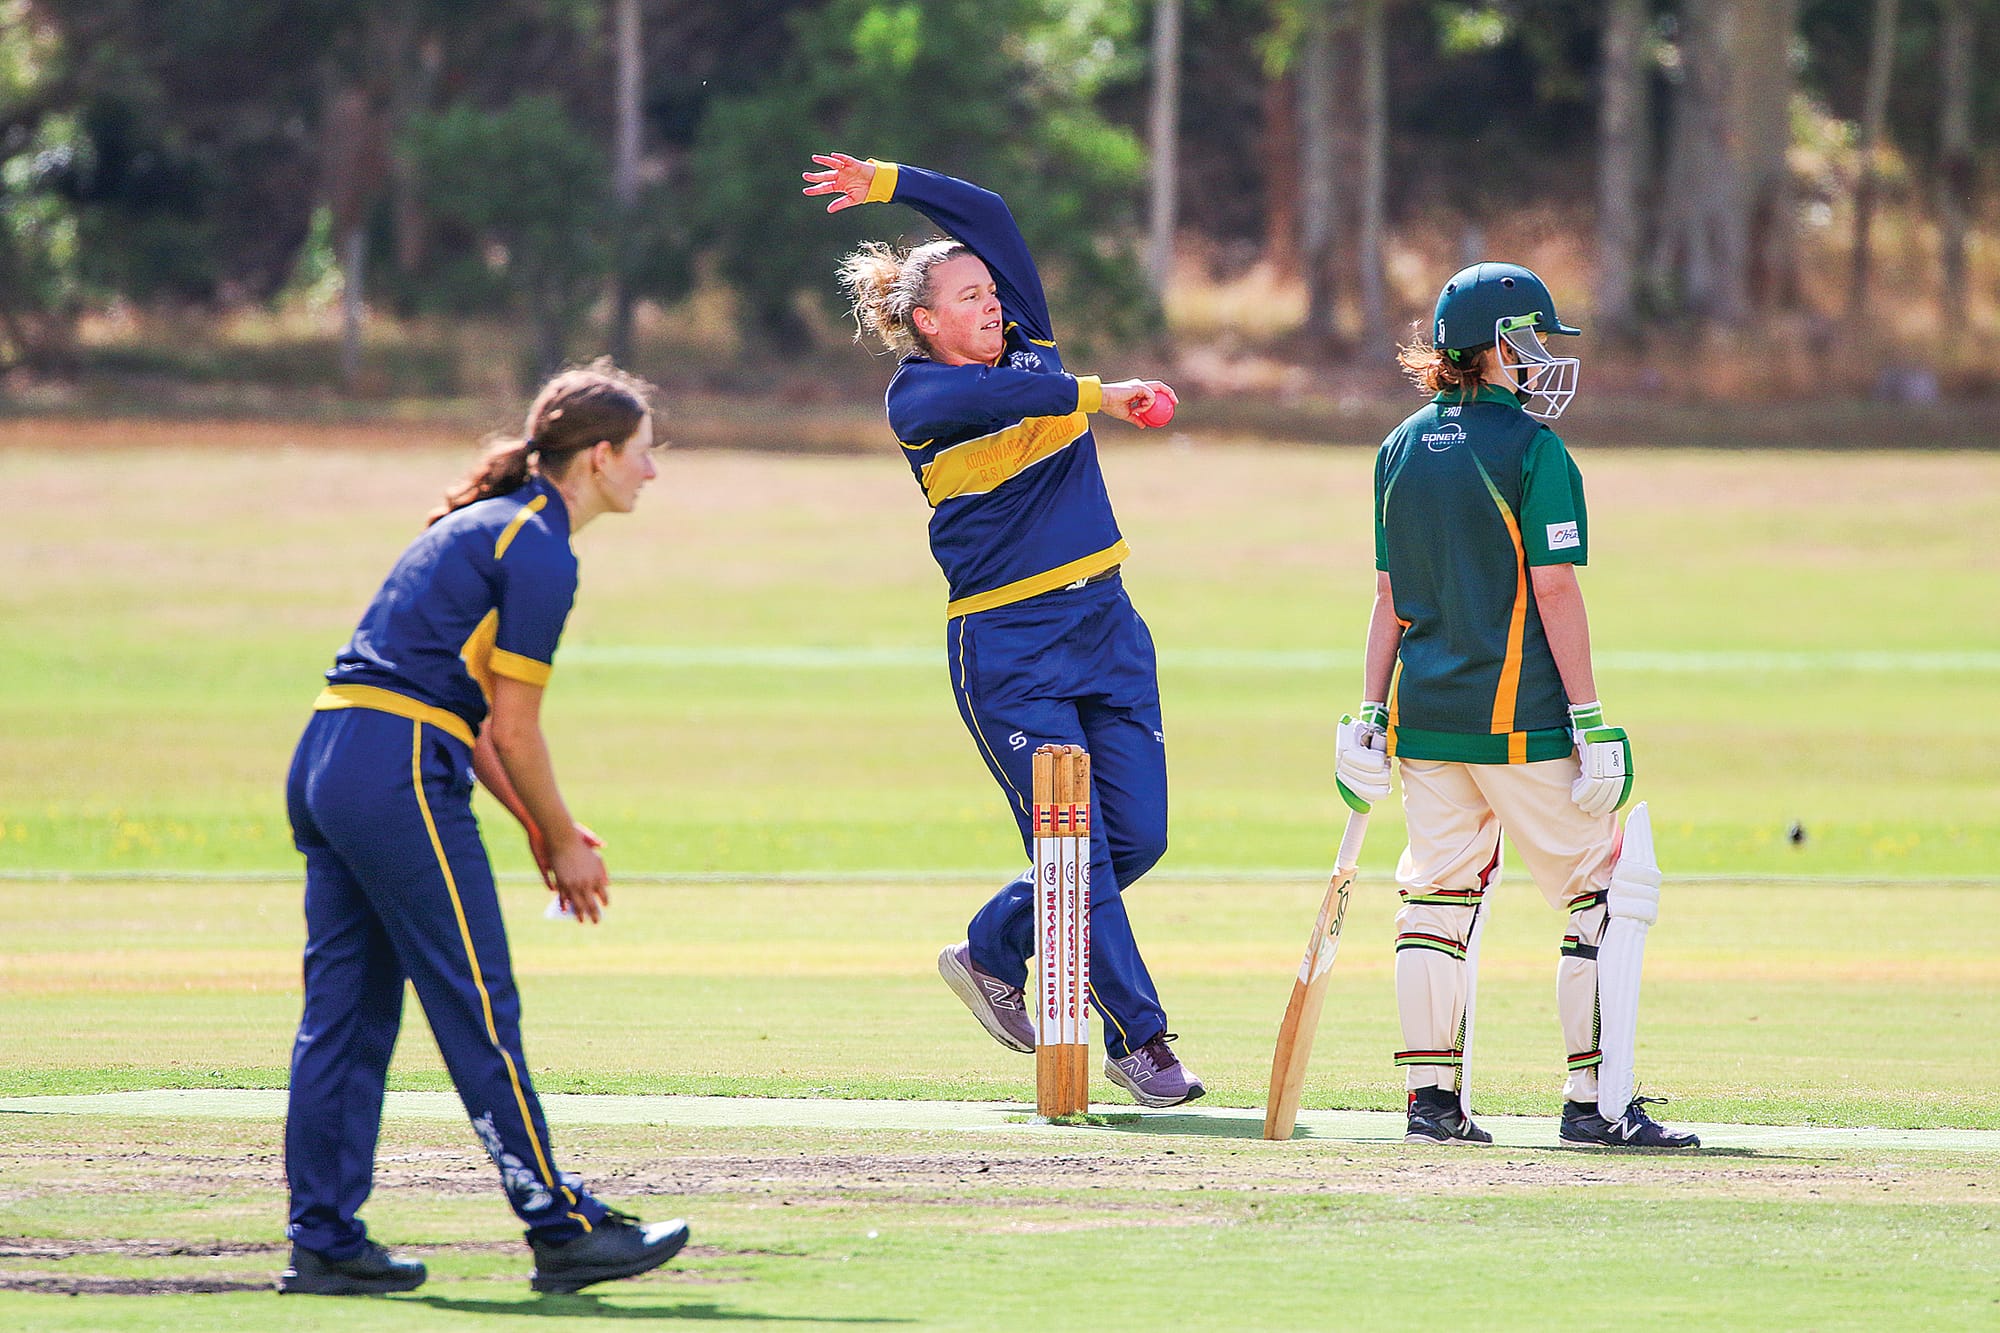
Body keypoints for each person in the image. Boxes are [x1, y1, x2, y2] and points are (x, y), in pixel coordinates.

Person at [280, 363, 692, 1296]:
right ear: (598, 458)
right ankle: (562, 1225)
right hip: (395, 767)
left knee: (344, 1018)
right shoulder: (540, 547)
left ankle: (325, 1240)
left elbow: (468, 721)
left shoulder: (487, 524)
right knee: (476, 1002)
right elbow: (509, 727)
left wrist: (544, 829)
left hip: (331, 755)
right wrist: (560, 840)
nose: (652, 473)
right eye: (643, 453)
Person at [801, 152, 1203, 1107]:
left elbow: (987, 208)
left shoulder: (1027, 339)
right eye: (967, 298)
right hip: (1009, 649)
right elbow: (1007, 399)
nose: (991, 304)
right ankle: (1141, 1041)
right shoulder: (920, 398)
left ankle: (989, 949)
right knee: (1081, 853)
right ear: (924, 322)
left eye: (992, 290)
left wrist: (892, 179)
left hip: (1106, 625)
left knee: (1134, 838)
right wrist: (1103, 394)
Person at [1334, 263, 1699, 1149]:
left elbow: (1390, 597)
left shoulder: (1398, 446)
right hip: (1522, 721)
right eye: (1534, 341)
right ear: (1500, 348)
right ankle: (1595, 1105)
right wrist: (1589, 717)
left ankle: (1431, 1104)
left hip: (1425, 721)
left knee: (1435, 899)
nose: (1542, 360)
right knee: (1602, 894)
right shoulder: (1535, 452)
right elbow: (1557, 591)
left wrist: (1368, 713)